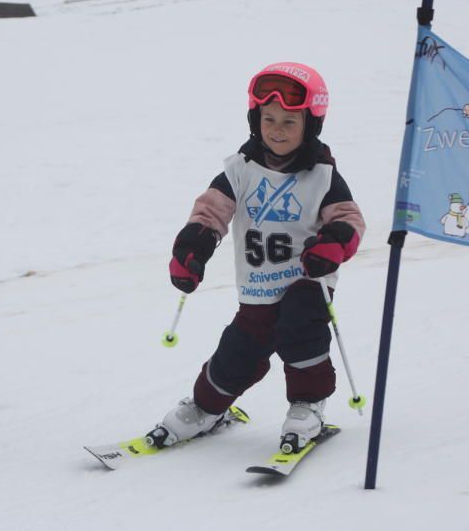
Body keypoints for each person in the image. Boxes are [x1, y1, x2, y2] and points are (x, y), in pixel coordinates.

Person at [146, 62, 366, 452]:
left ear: (310, 125)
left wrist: (331, 245)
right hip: (258, 285)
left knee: (301, 329)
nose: (277, 130)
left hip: (307, 279)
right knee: (240, 350)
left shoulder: (323, 175)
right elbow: (210, 213)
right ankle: (205, 408)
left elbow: (348, 219)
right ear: (255, 118)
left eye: (288, 122)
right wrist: (192, 250)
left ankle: (308, 405)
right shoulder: (240, 170)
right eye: (269, 119)